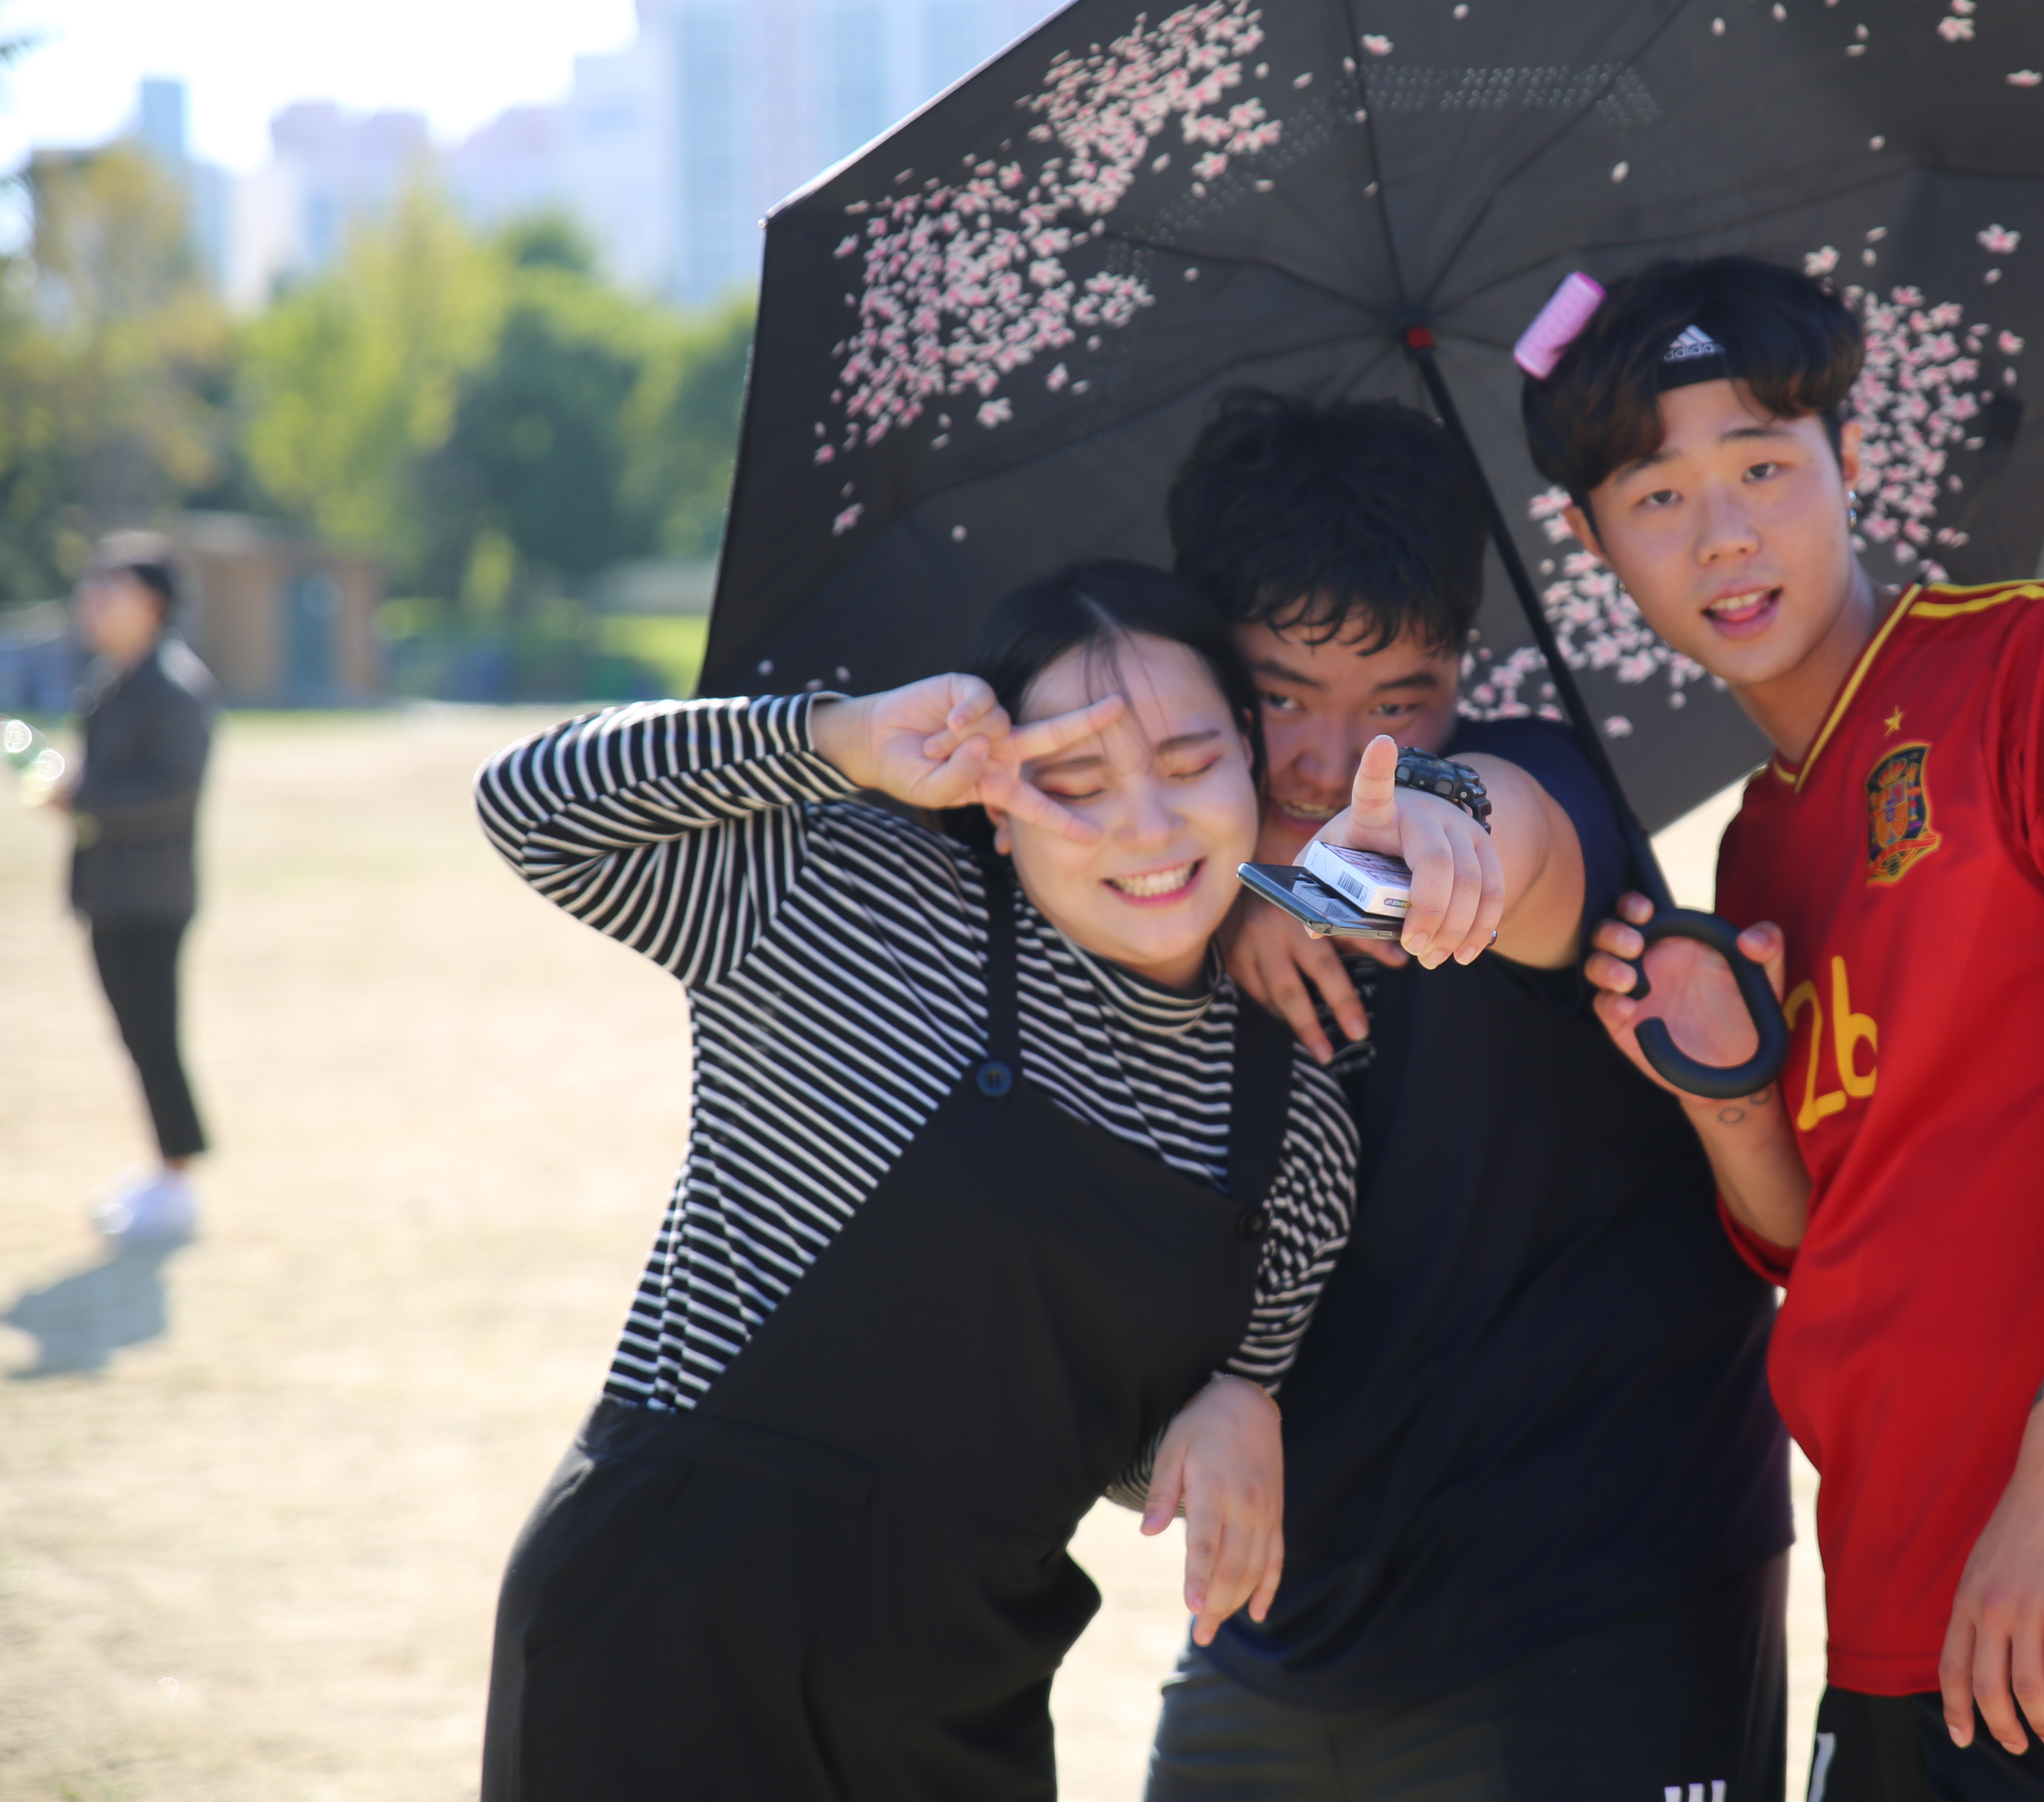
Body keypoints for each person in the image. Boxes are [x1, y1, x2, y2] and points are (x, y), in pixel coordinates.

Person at [474, 562, 1499, 1801]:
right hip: (671, 1626)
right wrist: (840, 738)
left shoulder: (1297, 1124)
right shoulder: (847, 896)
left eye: (1188, 765)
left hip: (965, 1691)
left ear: (1247, 754)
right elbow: (526, 805)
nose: (1148, 827)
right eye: (1076, 784)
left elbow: (1117, 1461)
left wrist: (1237, 1397)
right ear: (997, 807)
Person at [1529, 255, 2044, 1801]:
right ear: (1593, 545)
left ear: (1850, 457)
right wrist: (1723, 1092)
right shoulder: (1754, 854)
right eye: (1658, 498)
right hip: (1887, 1592)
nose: (1724, 534)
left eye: (1763, 466)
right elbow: (1813, 1238)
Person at [1143, 390, 1792, 1801]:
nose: (1336, 761)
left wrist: (1425, 835)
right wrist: (1238, 889)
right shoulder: (1160, 893)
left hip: (1601, 1611)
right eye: (1281, 695)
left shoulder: (1536, 778)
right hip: (1282, 1627)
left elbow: (1506, 832)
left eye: (1400, 701)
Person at [52, 533, 220, 1243]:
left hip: (152, 895)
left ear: (151, 602)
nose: (91, 600)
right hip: (109, 889)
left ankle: (177, 1178)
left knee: (155, 1036)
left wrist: (81, 796)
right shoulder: (112, 681)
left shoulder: (173, 687)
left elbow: (175, 792)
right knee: (136, 1037)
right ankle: (164, 1168)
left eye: (108, 588)